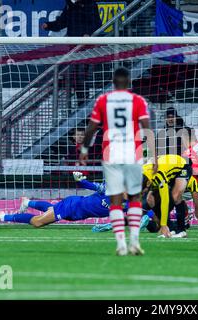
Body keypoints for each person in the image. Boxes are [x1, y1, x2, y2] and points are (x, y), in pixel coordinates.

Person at [80, 67, 156, 256]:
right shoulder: (138, 100)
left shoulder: (103, 100)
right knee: (135, 197)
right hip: (133, 152)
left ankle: (121, 244)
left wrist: (84, 149)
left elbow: (91, 128)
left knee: (114, 198)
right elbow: (147, 128)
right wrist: (153, 155)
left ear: (113, 83)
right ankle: (135, 242)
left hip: (111, 153)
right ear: (129, 82)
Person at [0, 173, 110, 228]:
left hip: (77, 215)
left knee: (51, 209)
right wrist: (80, 180)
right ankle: (3, 217)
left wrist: (110, 225)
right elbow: (91, 186)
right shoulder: (109, 189)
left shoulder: (127, 204)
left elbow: (128, 219)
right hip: (72, 206)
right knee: (38, 223)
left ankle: (27, 203)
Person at [42, 0, 103, 107]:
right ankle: (81, 105)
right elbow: (62, 22)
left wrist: (88, 34)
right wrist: (49, 25)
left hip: (86, 47)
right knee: (76, 77)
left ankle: (84, 105)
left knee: (81, 76)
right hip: (73, 48)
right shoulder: (69, 6)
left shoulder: (91, 4)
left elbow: (97, 23)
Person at [141, 154, 193, 238]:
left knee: (175, 197)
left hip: (183, 165)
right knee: (150, 199)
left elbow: (165, 201)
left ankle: (182, 230)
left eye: (144, 191)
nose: (143, 193)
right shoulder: (142, 173)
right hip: (166, 171)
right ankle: (171, 228)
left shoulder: (158, 176)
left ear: (147, 183)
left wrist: (163, 224)